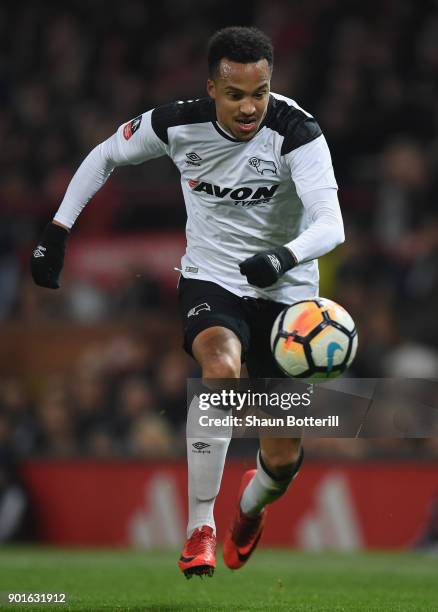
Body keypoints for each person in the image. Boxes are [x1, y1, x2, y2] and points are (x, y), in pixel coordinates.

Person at [31, 26, 344, 578]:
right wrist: (58, 229)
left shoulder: (297, 130)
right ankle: (200, 527)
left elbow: (331, 226)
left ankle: (249, 510)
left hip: (287, 293)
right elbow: (105, 155)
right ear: (211, 88)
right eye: (236, 94)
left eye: (260, 92)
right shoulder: (177, 123)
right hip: (212, 278)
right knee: (219, 368)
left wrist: (281, 258)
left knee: (281, 458)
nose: (250, 107)